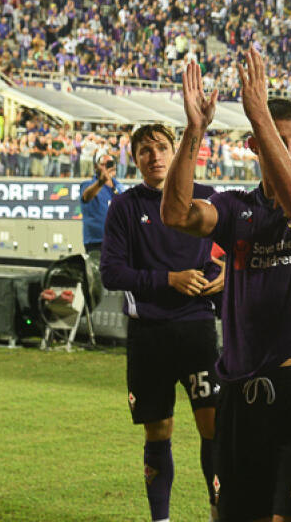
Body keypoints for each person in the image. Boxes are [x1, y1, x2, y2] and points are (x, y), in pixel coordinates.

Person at [161, 54, 291, 522]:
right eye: (276, 141)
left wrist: (260, 112)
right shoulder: (236, 208)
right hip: (241, 393)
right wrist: (194, 131)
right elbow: (176, 214)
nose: (290, 149)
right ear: (254, 145)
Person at [100, 122, 224, 522]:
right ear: (134, 159)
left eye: (161, 148)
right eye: (145, 151)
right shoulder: (125, 206)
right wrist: (168, 279)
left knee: (214, 427)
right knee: (159, 432)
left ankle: (219, 511)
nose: (154, 157)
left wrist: (229, 275)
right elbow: (112, 273)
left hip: (197, 329)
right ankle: (161, 519)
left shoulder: (207, 199)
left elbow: (234, 256)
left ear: (176, 152)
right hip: (149, 334)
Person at [82, 150, 123, 261]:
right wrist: (101, 182)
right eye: (104, 164)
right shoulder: (89, 185)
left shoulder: (119, 187)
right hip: (97, 241)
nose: (107, 167)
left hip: (118, 241)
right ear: (96, 167)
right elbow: (86, 196)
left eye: (110, 163)